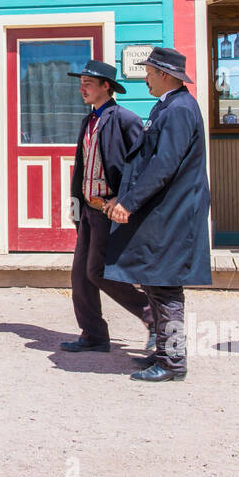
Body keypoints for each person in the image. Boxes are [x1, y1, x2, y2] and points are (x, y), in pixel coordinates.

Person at [103, 47, 211, 382]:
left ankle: (174, 361)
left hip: (174, 213)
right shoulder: (169, 106)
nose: (145, 77)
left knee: (166, 289)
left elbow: (163, 165)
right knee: (155, 283)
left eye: (149, 72)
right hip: (166, 211)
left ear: (165, 75)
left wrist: (129, 202)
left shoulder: (179, 109)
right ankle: (164, 353)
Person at [58, 59, 155, 354]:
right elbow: (82, 166)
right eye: (81, 82)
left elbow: (141, 166)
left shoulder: (125, 119)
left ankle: (153, 316)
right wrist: (76, 202)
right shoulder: (89, 120)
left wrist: (124, 200)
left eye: (88, 83)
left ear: (106, 86)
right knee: (80, 275)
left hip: (110, 210)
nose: (82, 87)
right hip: (88, 208)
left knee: (97, 272)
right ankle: (94, 335)